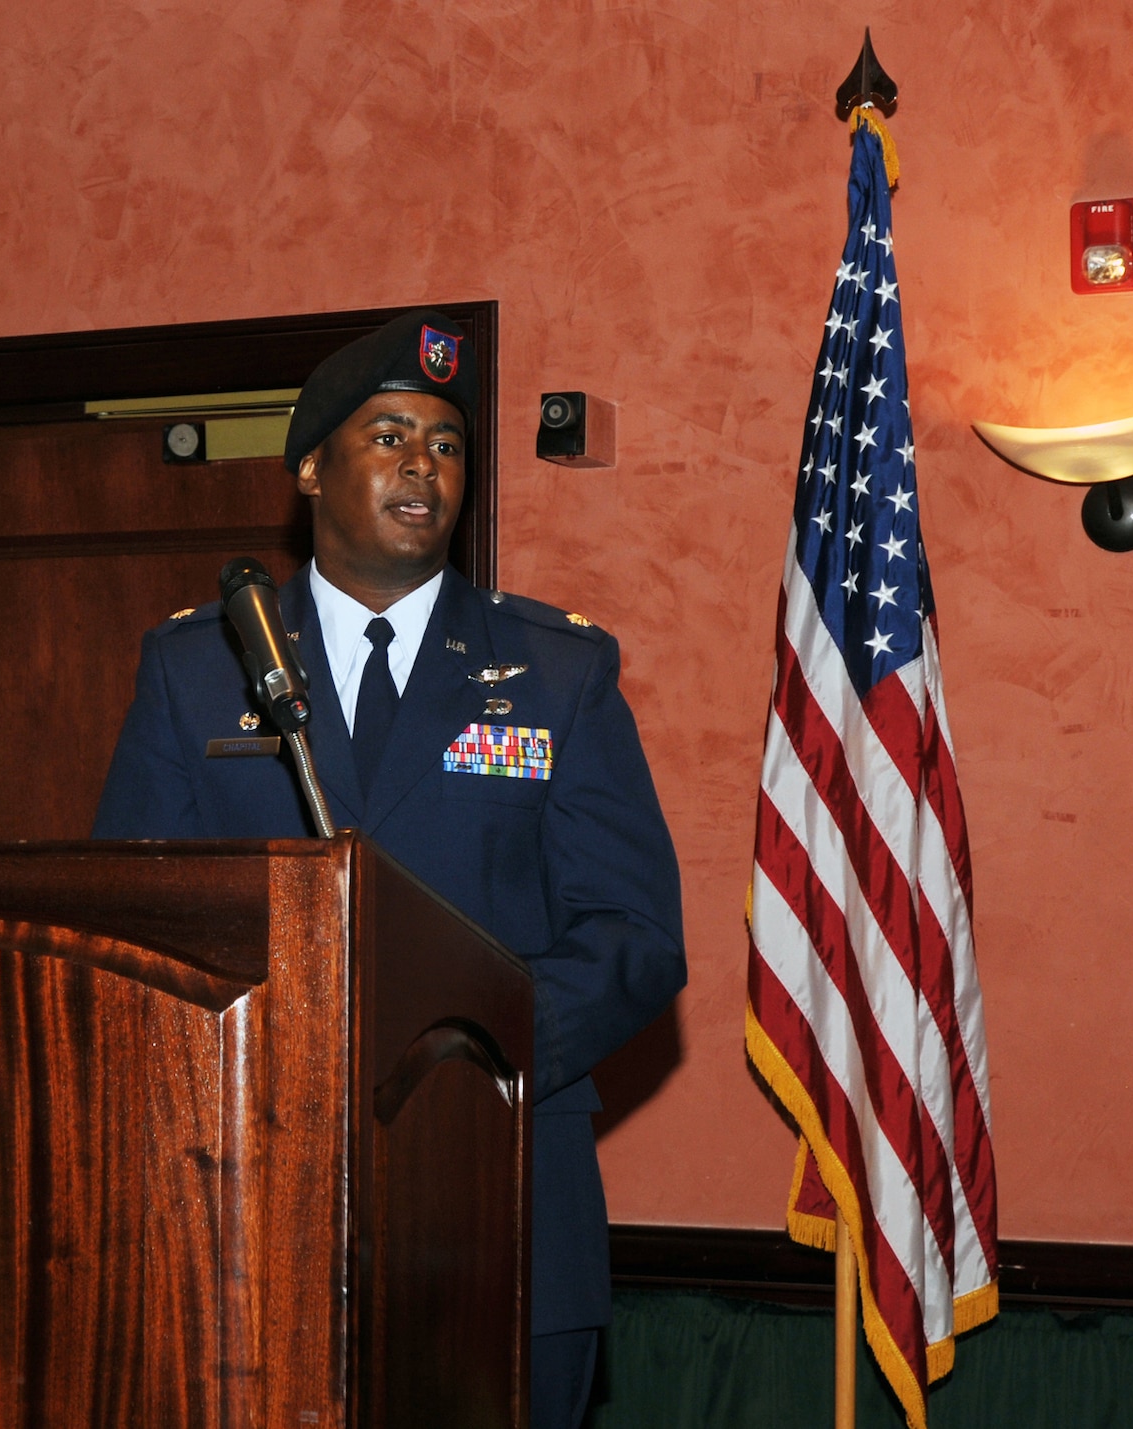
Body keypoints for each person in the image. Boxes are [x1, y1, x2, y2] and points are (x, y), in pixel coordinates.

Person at [92, 309, 686, 1428]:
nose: (423, 465)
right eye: (389, 437)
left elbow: (633, 938)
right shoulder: (194, 667)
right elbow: (133, 930)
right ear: (309, 467)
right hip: (249, 1211)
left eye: (446, 444)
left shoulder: (556, 671)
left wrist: (458, 1042)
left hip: (501, 1210)